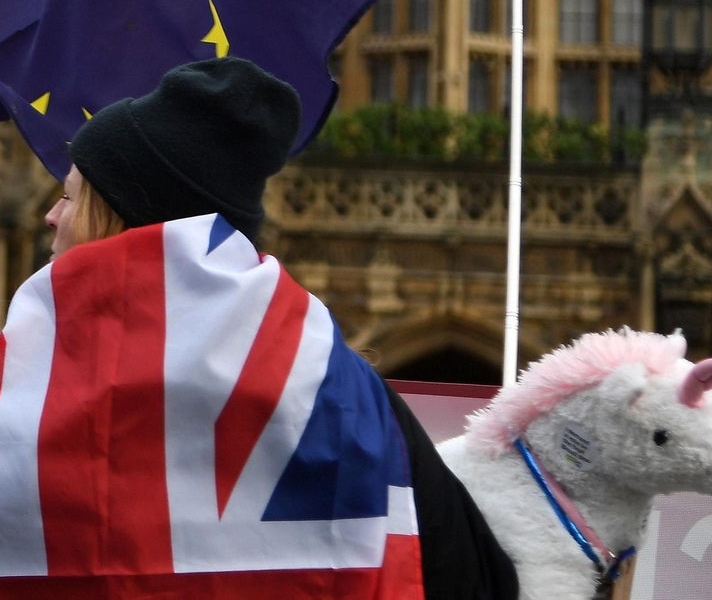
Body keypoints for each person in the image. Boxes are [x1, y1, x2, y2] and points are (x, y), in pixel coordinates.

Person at [42, 57, 518, 600]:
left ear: (121, 219)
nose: (51, 217)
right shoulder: (349, 401)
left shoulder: (32, 390)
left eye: (70, 195)